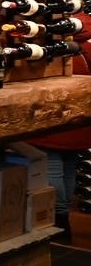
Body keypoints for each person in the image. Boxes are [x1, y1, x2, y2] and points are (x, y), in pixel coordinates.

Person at [29, 23, 91, 227]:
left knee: (53, 169)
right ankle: (64, 220)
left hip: (54, 119)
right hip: (79, 122)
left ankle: (59, 219)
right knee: (69, 167)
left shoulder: (51, 48)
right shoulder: (83, 47)